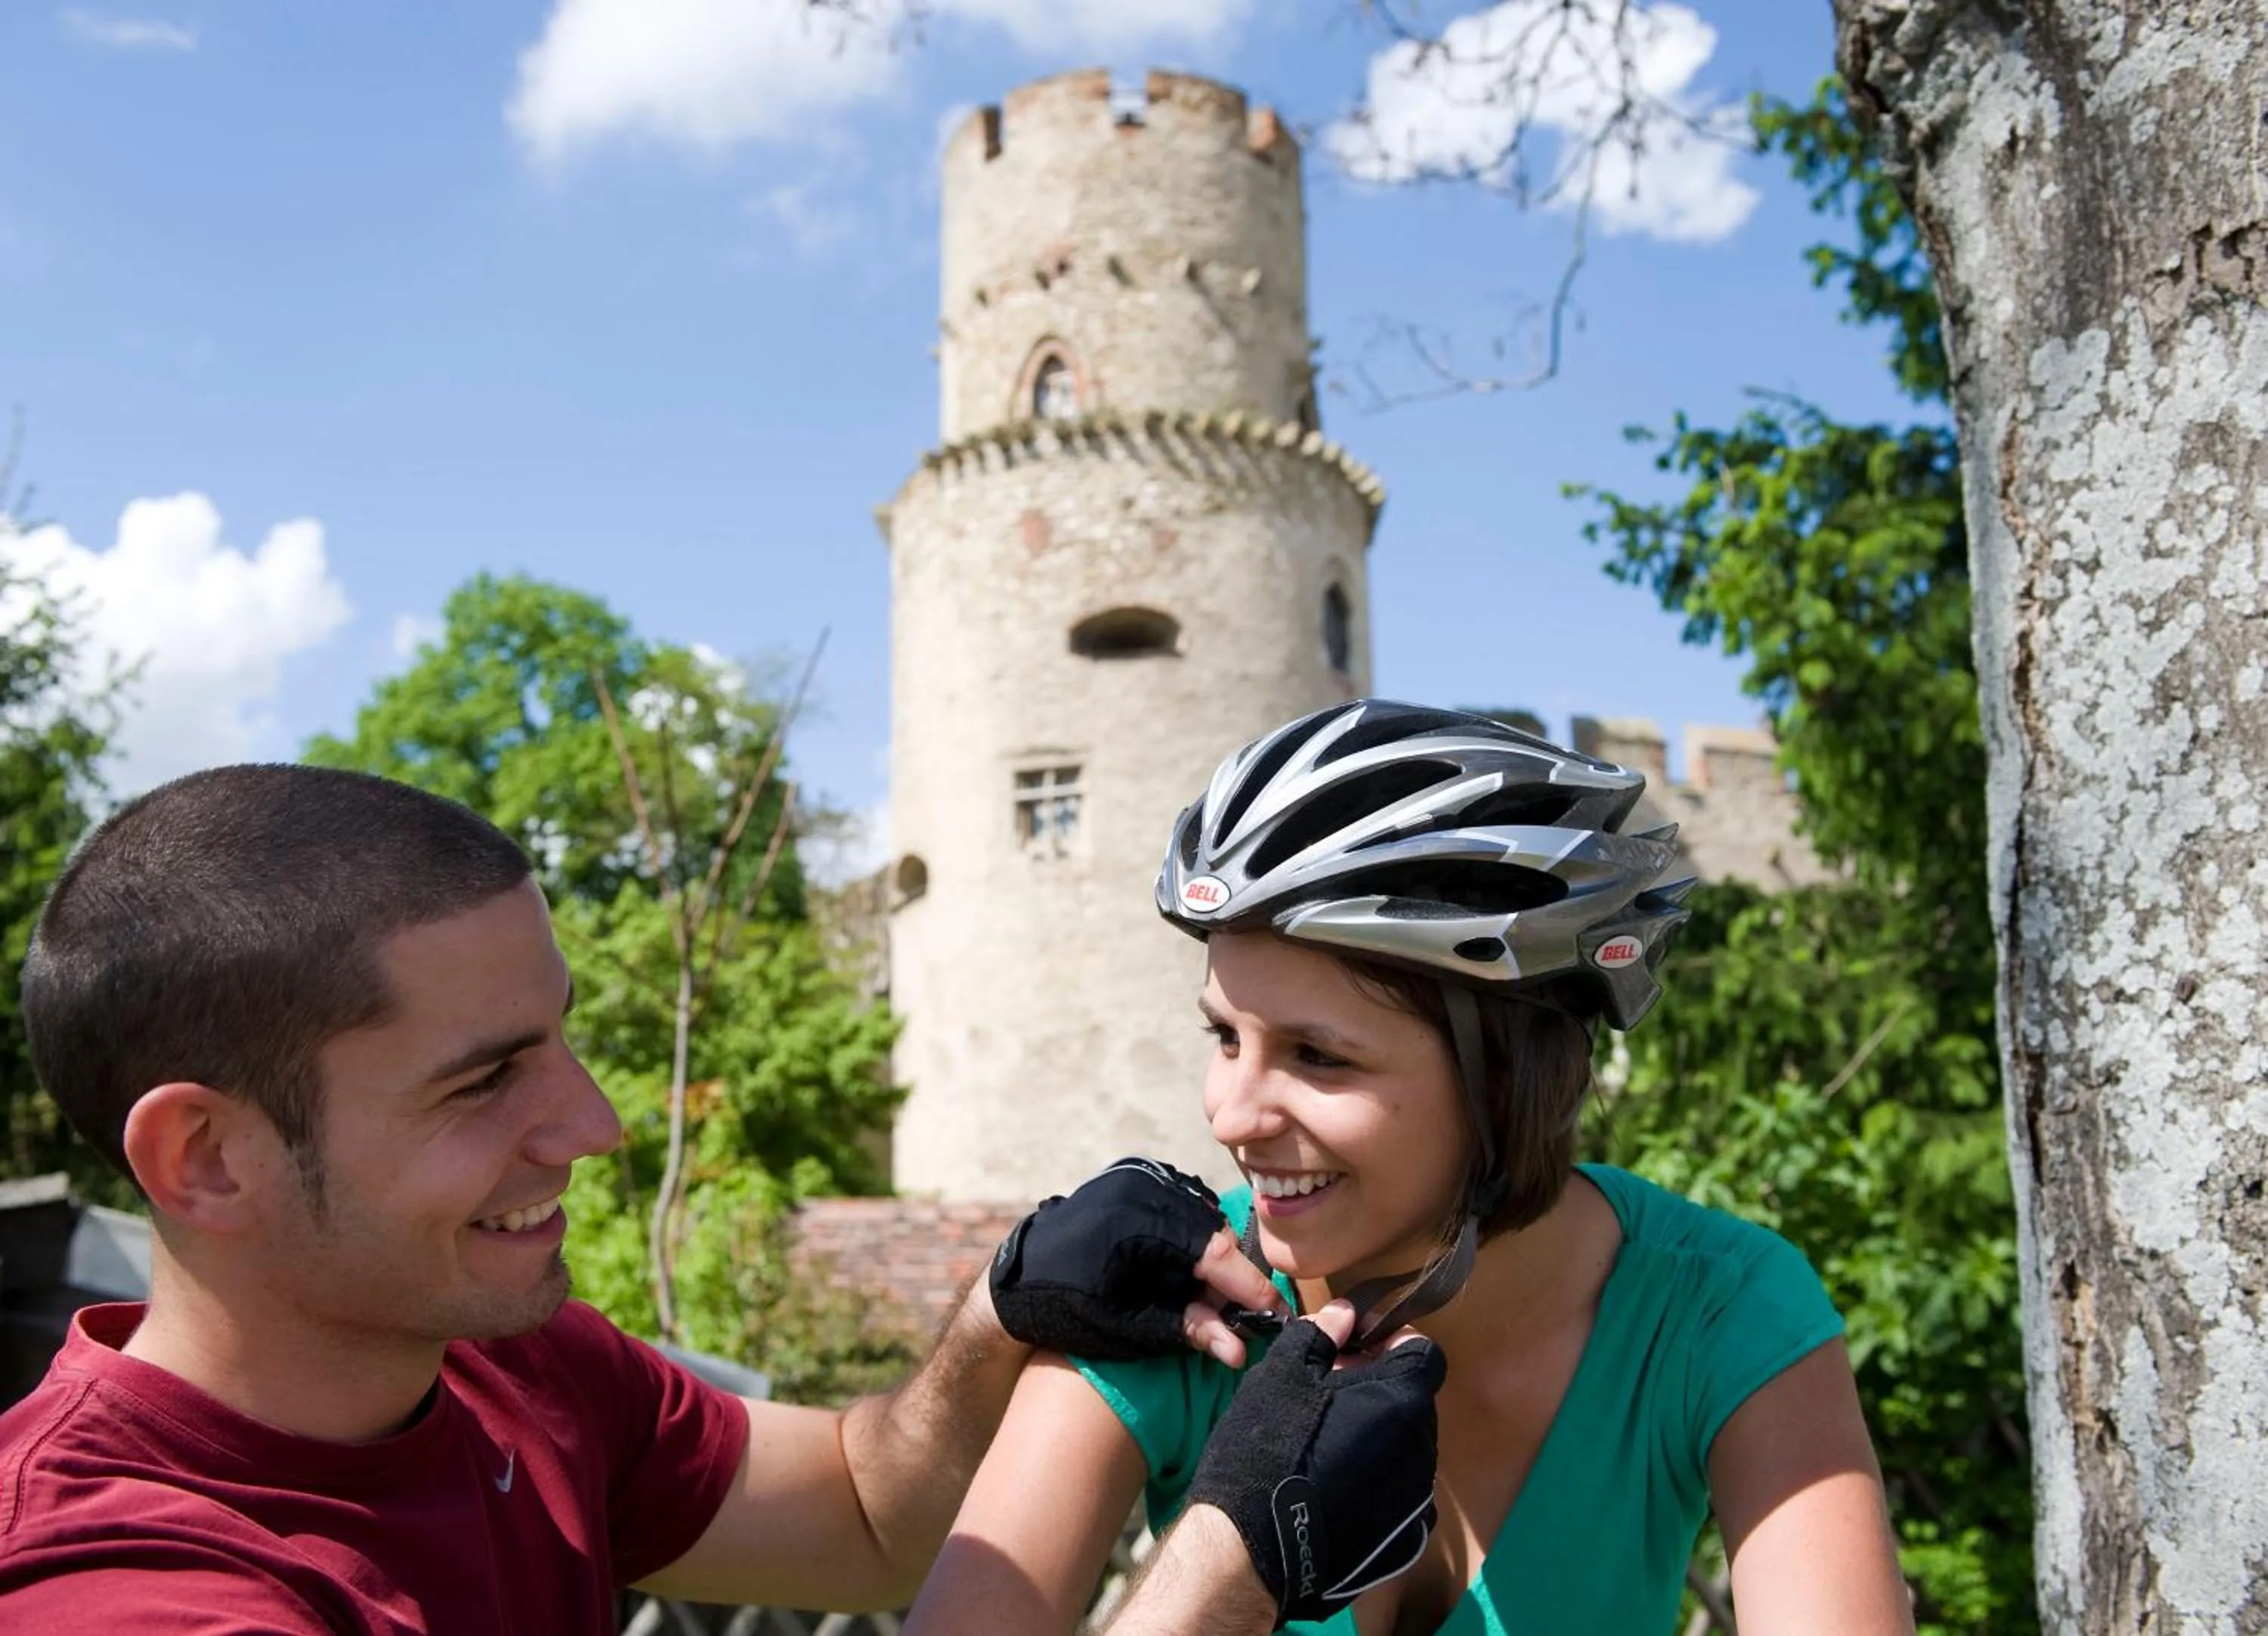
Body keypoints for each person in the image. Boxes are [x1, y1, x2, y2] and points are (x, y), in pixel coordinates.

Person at [0, 763, 1442, 1635]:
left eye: (563, 1038)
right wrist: (1228, 1571)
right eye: (484, 1079)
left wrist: (1001, 1316)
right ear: (207, 1160)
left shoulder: (506, 1369)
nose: (593, 1124)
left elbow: (870, 1518)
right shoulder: (120, 1584)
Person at [910, 699, 1918, 1634]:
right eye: (1224, 1037)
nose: (1230, 1113)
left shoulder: (1716, 1309)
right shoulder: (1158, 1302)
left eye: (1318, 1055)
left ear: (1509, 1079)